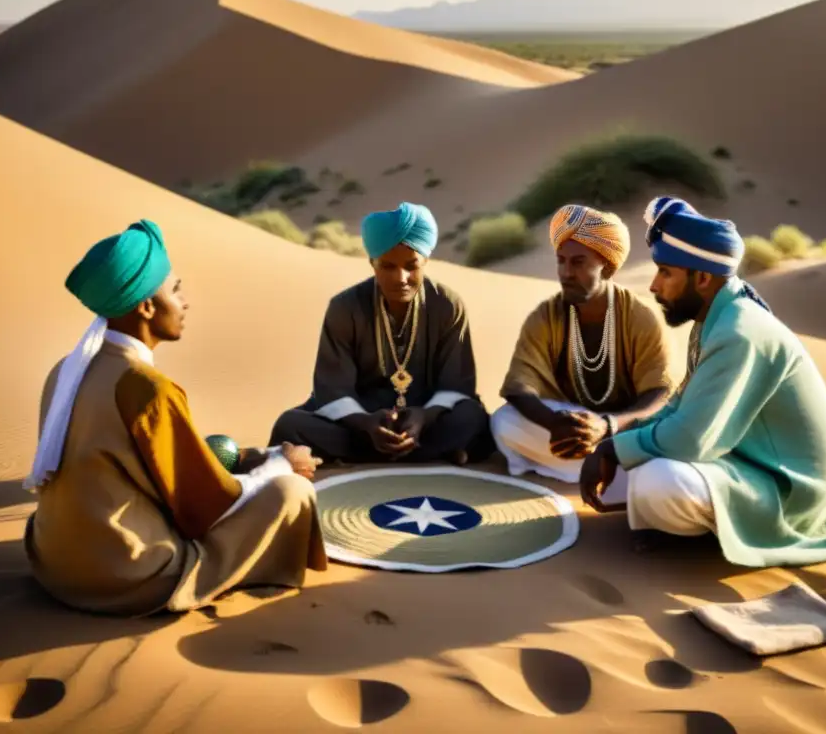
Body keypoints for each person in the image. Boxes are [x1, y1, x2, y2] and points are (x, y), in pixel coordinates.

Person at [24, 219, 328, 617]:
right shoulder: (146, 386)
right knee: (293, 493)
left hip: (53, 564)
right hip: (126, 575)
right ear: (147, 306)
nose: (185, 302)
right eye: (176, 290)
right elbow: (205, 507)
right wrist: (279, 465)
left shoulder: (65, 370)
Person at [579, 196, 826, 566]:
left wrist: (614, 449)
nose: (654, 286)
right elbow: (680, 407)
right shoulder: (717, 317)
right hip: (742, 462)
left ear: (703, 278)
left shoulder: (739, 331)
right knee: (631, 467)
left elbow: (690, 440)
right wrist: (616, 443)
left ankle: (709, 528)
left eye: (665, 272)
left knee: (658, 479)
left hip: (792, 493)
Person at [269, 202, 493, 465]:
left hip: (427, 420)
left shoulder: (447, 304)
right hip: (360, 424)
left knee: (472, 417)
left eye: (412, 266)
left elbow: (457, 384)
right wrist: (365, 422)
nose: (401, 277)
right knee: (290, 425)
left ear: (426, 261)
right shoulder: (345, 307)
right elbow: (332, 388)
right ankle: (431, 454)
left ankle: (374, 454)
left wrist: (424, 416)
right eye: (388, 266)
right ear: (372, 263)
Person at [490, 203, 675, 489]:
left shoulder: (641, 317)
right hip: (565, 427)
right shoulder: (546, 315)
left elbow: (659, 394)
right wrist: (556, 424)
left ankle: (602, 466)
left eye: (577, 262)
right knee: (504, 421)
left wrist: (606, 426)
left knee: (662, 436)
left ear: (607, 267)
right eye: (561, 261)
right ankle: (607, 471)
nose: (565, 272)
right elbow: (519, 387)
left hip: (620, 429)